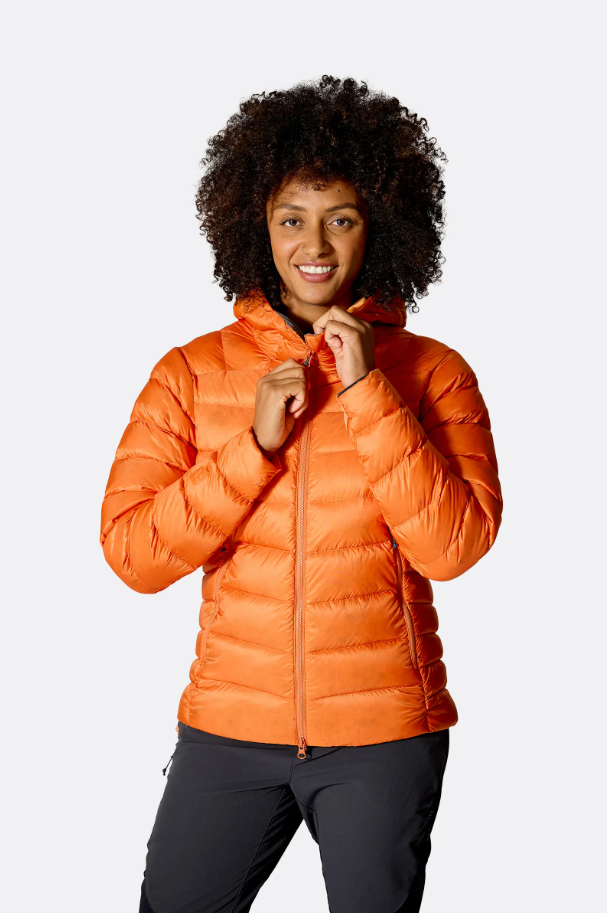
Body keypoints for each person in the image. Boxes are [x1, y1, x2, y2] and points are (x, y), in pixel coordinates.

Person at [100, 75, 503, 913]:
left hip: (382, 735)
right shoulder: (190, 373)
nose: (313, 243)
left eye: (340, 218)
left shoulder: (434, 373)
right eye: (291, 218)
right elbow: (133, 554)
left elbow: (453, 548)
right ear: (256, 224)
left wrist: (367, 393)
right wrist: (252, 449)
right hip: (227, 728)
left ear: (379, 226)